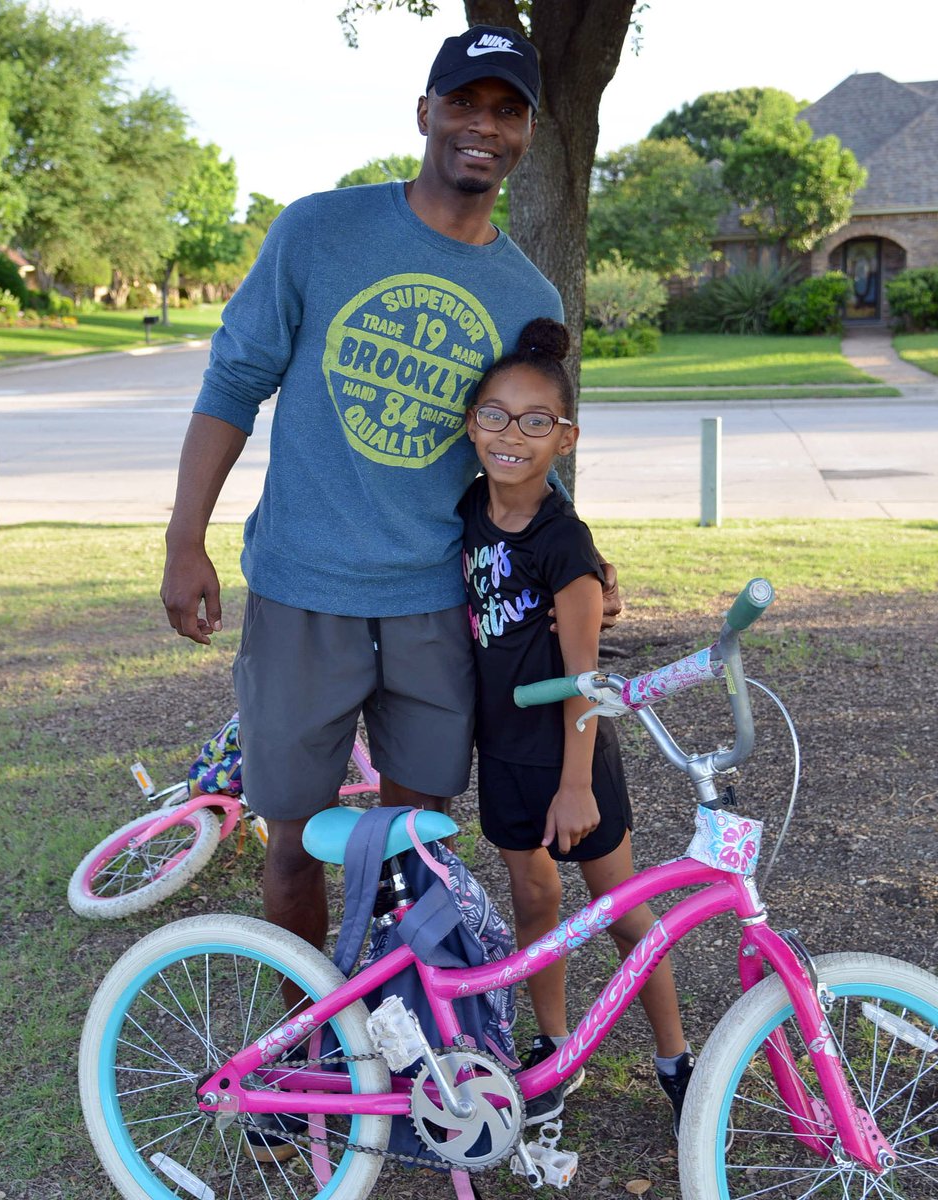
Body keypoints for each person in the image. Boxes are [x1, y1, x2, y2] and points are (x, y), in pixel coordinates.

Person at [159, 24, 619, 977]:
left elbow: (522, 446)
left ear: (527, 134)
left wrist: (579, 550)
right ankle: (308, 1044)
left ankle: (400, 1035)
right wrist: (184, 540)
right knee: (291, 842)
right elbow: (234, 382)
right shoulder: (319, 232)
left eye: (507, 111)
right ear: (425, 113)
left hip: (433, 603)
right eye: (463, 104)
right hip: (301, 591)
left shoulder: (523, 293)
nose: (482, 127)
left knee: (413, 843)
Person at [460, 318, 694, 1135]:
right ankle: (554, 1050)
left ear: (564, 438)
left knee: (624, 909)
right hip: (505, 754)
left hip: (573, 762)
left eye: (534, 421)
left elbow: (589, 681)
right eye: (495, 414)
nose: (510, 436)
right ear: (471, 424)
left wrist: (573, 784)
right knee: (533, 902)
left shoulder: (566, 546)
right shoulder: (471, 510)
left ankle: (676, 1061)